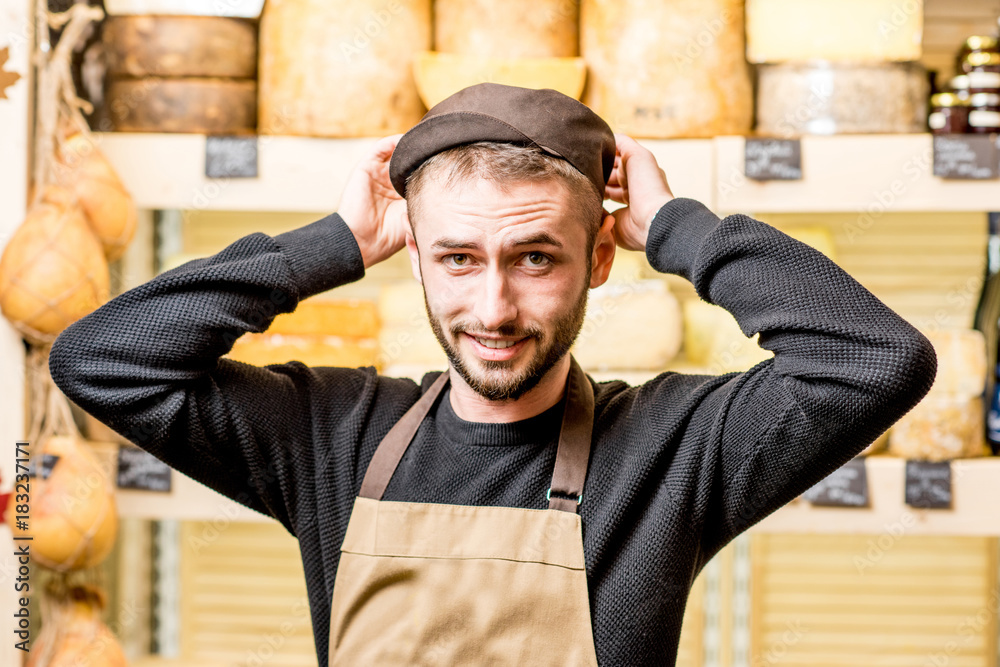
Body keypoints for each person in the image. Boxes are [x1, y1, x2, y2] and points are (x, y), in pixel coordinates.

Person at [48, 83, 937, 666]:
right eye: (459, 257)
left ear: (599, 257)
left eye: (536, 257)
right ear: (416, 258)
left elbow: (875, 358)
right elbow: (102, 357)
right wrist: (330, 246)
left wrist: (679, 226)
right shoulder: (328, 435)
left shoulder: (671, 451)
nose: (495, 307)